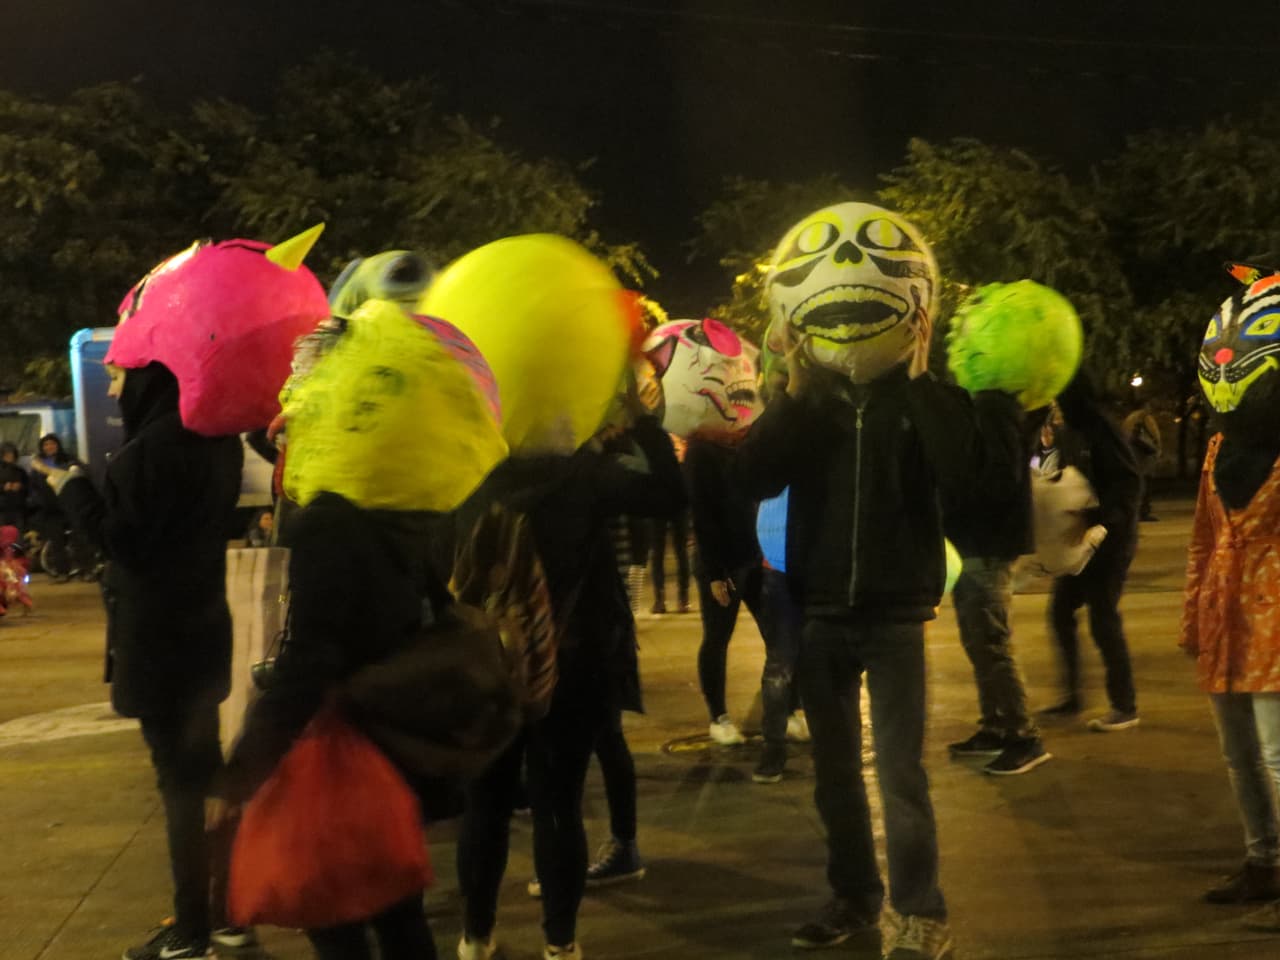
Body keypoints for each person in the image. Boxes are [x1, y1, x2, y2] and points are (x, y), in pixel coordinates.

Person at [739, 201, 966, 959]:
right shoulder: (812, 407)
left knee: (901, 777)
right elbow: (754, 472)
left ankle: (921, 912)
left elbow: (968, 480)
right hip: (819, 612)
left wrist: (923, 374)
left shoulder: (924, 402)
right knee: (834, 777)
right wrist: (793, 382)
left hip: (898, 614)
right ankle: (855, 898)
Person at [455, 397, 685, 960]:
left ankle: (475, 937)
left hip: (486, 662)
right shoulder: (581, 475)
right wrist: (644, 425)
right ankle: (560, 943)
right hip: (572, 663)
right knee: (559, 804)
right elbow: (672, 497)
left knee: (485, 803)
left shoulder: (468, 472)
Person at [35, 362, 245, 960]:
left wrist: (71, 489)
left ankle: (191, 929)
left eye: (121, 375)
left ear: (154, 378)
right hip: (203, 632)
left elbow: (124, 541)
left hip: (160, 643)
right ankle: (229, 914)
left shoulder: (149, 451)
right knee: (206, 776)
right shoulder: (218, 443)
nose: (112, 386)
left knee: (179, 786)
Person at [1182, 270, 1280, 931]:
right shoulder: (1218, 447)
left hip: (1277, 626)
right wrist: (1193, 614)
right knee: (1239, 753)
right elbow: (1200, 539)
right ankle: (1262, 859)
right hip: (1226, 619)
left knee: (1278, 754)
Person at [1041, 372, 1142, 732]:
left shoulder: (1102, 428)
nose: (1055, 405)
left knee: (1103, 618)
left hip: (1109, 541)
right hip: (1079, 539)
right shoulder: (1070, 431)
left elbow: (1128, 482)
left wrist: (1106, 525)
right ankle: (1072, 696)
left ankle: (1124, 705)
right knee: (1059, 613)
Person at [685, 432, 770, 746]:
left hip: (752, 555)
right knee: (718, 637)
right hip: (722, 562)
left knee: (777, 633)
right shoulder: (700, 452)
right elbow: (702, 515)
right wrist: (714, 573)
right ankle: (718, 717)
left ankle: (787, 709)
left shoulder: (743, 445)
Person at [1122, 403, 1162, 521]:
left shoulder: (1129, 418)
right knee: (1145, 485)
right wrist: (1157, 446)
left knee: (1137, 486)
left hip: (1133, 457)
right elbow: (1153, 433)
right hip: (1143, 457)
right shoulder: (1144, 417)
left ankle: (1136, 512)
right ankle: (1143, 512)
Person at [0, 442, 29, 530]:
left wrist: (20, 487)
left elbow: (28, 487)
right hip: (1, 510)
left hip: (17, 509)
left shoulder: (20, 471)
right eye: (6, 453)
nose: (9, 455)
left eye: (11, 453)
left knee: (17, 537)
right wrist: (3, 487)